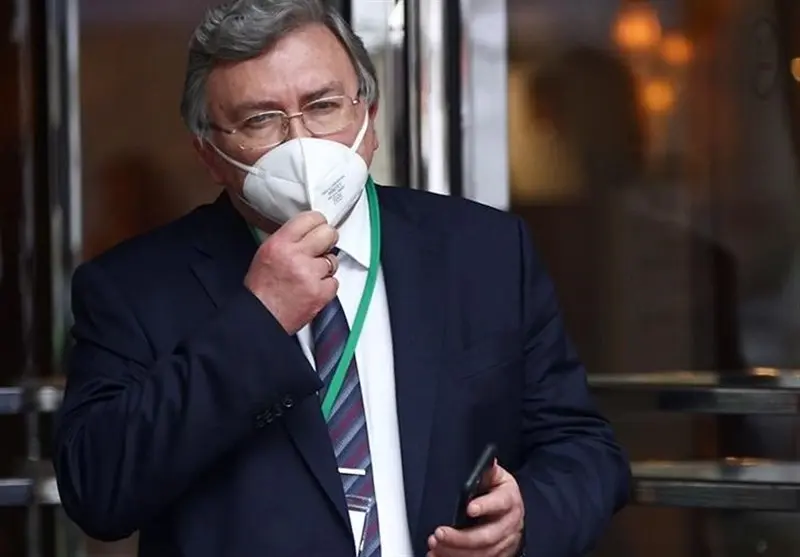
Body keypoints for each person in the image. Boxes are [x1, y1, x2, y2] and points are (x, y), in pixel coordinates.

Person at [52, 1, 629, 556]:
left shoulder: (484, 253)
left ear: (368, 118)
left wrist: (525, 518)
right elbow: (98, 491)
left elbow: (585, 449)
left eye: (323, 105)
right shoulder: (135, 288)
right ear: (210, 154)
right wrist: (257, 322)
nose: (300, 142)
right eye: (260, 119)